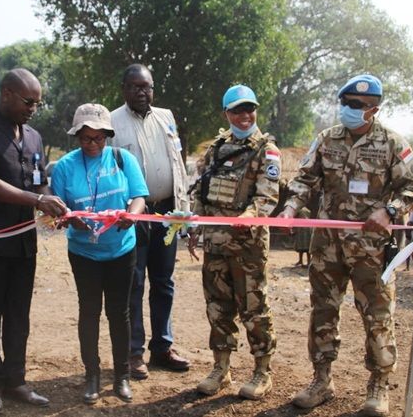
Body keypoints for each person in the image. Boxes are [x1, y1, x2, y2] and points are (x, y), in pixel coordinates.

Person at [279, 74, 413, 416]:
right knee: (323, 311)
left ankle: (378, 386)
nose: (348, 110)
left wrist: (390, 210)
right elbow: (304, 179)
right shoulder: (326, 139)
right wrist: (290, 209)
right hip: (327, 247)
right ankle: (321, 380)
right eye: (345, 104)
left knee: (376, 315)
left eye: (357, 106)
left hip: (371, 250)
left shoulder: (391, 143)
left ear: (373, 110)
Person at [0, 68, 67, 414]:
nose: (34, 108)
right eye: (28, 101)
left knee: (19, 312)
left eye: (37, 103)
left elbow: (38, 181)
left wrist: (53, 204)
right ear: (6, 93)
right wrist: (37, 201)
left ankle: (16, 379)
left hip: (23, 241)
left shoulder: (33, 136)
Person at [51, 103, 148, 404]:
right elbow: (58, 210)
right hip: (84, 253)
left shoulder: (122, 158)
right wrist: (70, 219)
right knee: (89, 312)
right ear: (77, 137)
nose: (92, 144)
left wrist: (132, 214)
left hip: (121, 249)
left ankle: (121, 375)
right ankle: (91, 375)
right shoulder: (64, 167)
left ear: (108, 136)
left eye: (99, 138)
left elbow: (139, 197)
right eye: (86, 138)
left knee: (120, 313)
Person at [188, 85, 280, 400]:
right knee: (218, 308)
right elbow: (201, 192)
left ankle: (262, 372)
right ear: (227, 114)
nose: (245, 116)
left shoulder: (266, 150)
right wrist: (194, 225)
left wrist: (249, 216)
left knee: (254, 309)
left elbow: (268, 195)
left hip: (248, 246)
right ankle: (221, 369)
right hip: (214, 245)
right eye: (238, 110)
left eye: (249, 109)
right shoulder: (215, 149)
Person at [109, 63, 191, 380]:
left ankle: (162, 348)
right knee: (134, 283)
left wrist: (183, 208)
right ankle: (133, 353)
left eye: (147, 87)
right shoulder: (112, 122)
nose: (142, 92)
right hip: (132, 215)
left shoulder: (167, 118)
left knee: (164, 282)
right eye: (135, 86)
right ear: (124, 89)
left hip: (167, 214)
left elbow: (177, 163)